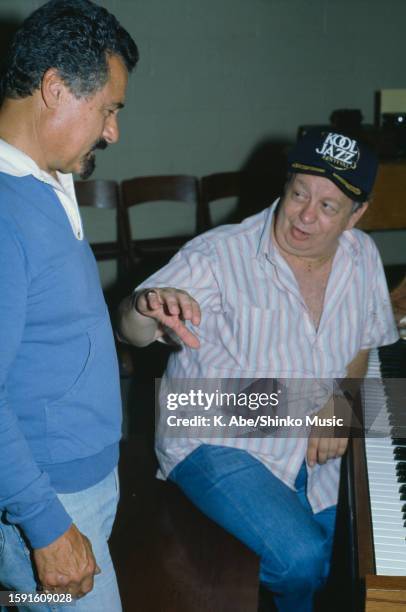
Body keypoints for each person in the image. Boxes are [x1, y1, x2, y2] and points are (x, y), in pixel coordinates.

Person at [119, 128, 398, 611]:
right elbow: (130, 329)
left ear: (357, 216)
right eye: (298, 194)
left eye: (329, 207)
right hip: (212, 427)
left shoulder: (364, 256)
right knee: (302, 559)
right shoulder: (220, 254)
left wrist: (344, 401)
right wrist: (145, 308)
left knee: (364, 547)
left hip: (313, 417)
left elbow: (367, 343)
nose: (305, 216)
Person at [0, 2, 138, 610]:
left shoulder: (49, 175)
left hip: (80, 479)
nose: (113, 131)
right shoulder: (5, 213)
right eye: (108, 109)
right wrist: (46, 524)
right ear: (54, 90)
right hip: (50, 499)